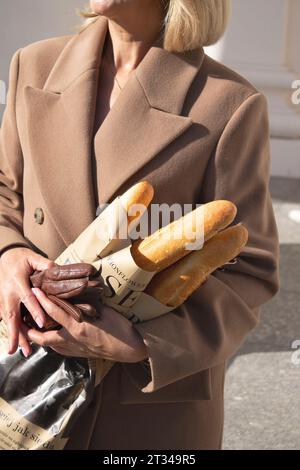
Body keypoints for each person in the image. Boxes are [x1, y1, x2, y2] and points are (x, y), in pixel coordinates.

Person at [0, 0, 279, 449]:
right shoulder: (33, 65)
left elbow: (249, 269)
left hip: (145, 411)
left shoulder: (230, 104)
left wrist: (142, 343)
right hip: (21, 383)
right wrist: (8, 256)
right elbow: (6, 193)